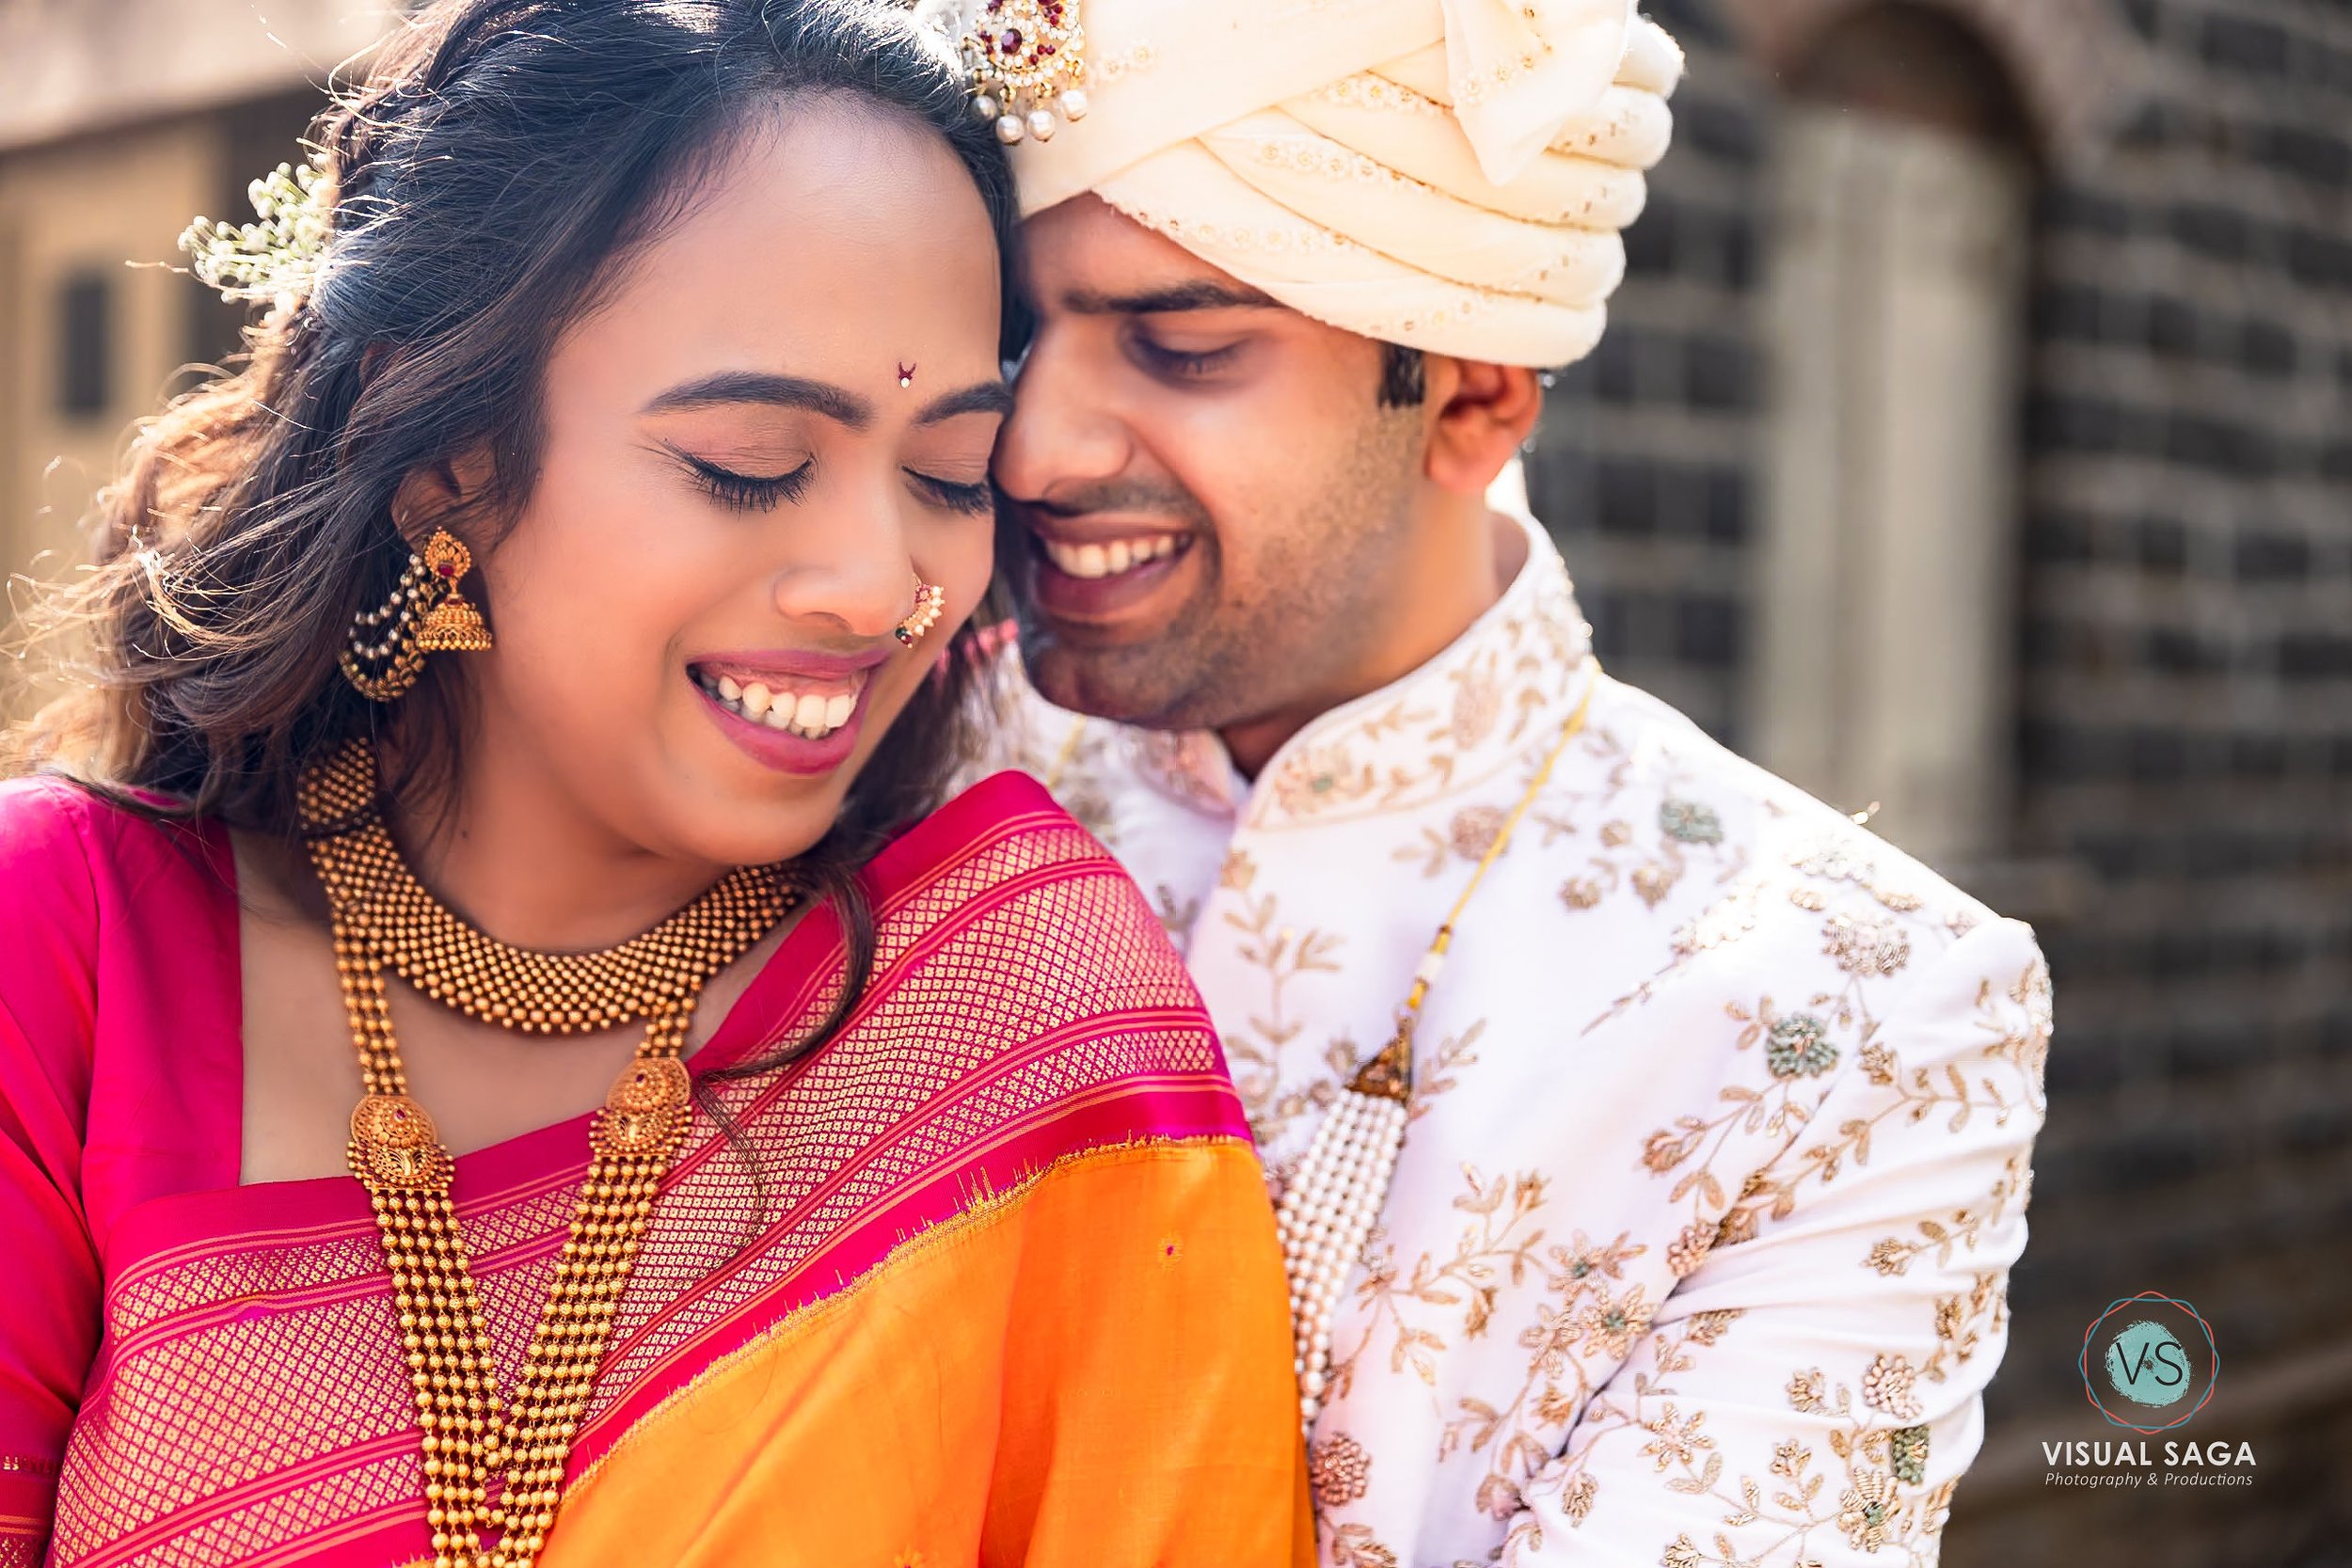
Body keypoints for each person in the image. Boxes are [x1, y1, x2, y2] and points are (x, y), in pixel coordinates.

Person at [0, 3, 1311, 1564]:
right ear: (449, 456)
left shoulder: (1016, 1020)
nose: (877, 582)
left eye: (949, 473)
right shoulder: (72, 949)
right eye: (754, 457)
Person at [952, 0, 2056, 1560]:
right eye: (1011, 333)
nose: (1031, 448)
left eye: (1182, 348)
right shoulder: (889, 758)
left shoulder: (1852, 1016)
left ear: (1472, 397)